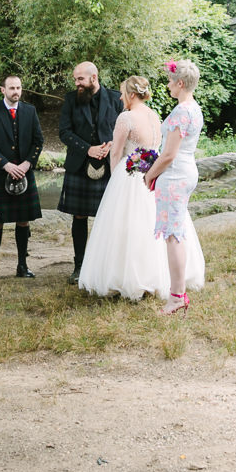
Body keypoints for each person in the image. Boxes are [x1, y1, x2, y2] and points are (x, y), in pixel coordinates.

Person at [77, 75, 168, 300]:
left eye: (122, 93)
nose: (119, 97)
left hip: (130, 176)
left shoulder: (126, 118)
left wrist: (115, 178)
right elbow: (154, 149)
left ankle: (120, 278)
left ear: (132, 94)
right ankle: (150, 278)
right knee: (147, 227)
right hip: (151, 175)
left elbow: (116, 152)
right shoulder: (154, 115)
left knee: (123, 227)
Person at [143, 59, 207, 316]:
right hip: (185, 172)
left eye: (170, 81)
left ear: (180, 83)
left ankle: (177, 297)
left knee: (173, 236)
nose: (168, 85)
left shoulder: (182, 111)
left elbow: (169, 154)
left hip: (175, 175)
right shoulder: (194, 108)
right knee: (176, 233)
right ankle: (177, 293)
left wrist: (150, 174)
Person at [58, 61, 123, 283]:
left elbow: (125, 128)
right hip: (79, 164)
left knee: (108, 217)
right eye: (76, 79)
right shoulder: (71, 99)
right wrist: (88, 149)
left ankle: (105, 264)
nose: (77, 83)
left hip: (110, 166)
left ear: (93, 78)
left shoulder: (116, 99)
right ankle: (79, 265)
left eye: (80, 79)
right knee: (79, 216)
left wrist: (112, 146)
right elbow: (64, 133)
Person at [0, 76, 44, 281]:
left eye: (18, 87)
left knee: (23, 221)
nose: (16, 91)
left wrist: (27, 164)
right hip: (0, 172)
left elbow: (38, 141)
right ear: (2, 90)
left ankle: (22, 266)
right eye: (12, 88)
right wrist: (5, 164)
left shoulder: (29, 111)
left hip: (24, 172)